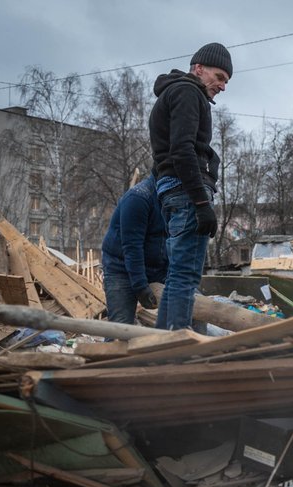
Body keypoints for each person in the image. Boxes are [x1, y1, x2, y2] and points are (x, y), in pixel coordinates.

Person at [149, 42, 232, 330]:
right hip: (186, 193)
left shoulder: (173, 93)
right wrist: (200, 203)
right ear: (199, 68)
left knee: (176, 276)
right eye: (219, 77)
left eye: (225, 81)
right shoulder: (187, 92)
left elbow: (165, 155)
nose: (222, 86)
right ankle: (179, 354)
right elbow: (182, 149)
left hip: (173, 191)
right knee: (185, 277)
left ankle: (163, 347)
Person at [100, 173, 167, 325]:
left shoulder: (174, 198)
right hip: (121, 268)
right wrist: (141, 287)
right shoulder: (139, 197)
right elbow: (132, 247)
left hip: (156, 268)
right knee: (120, 328)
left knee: (190, 313)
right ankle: (113, 348)